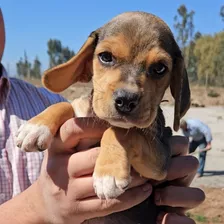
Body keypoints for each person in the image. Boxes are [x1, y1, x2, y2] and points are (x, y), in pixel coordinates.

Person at [0, 8, 205, 223]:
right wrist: (53, 116)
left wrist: (120, 141)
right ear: (87, 63)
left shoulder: (151, 124)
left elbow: (159, 168)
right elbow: (73, 110)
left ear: (175, 80)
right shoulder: (57, 106)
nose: (130, 90)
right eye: (107, 57)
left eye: (158, 69)